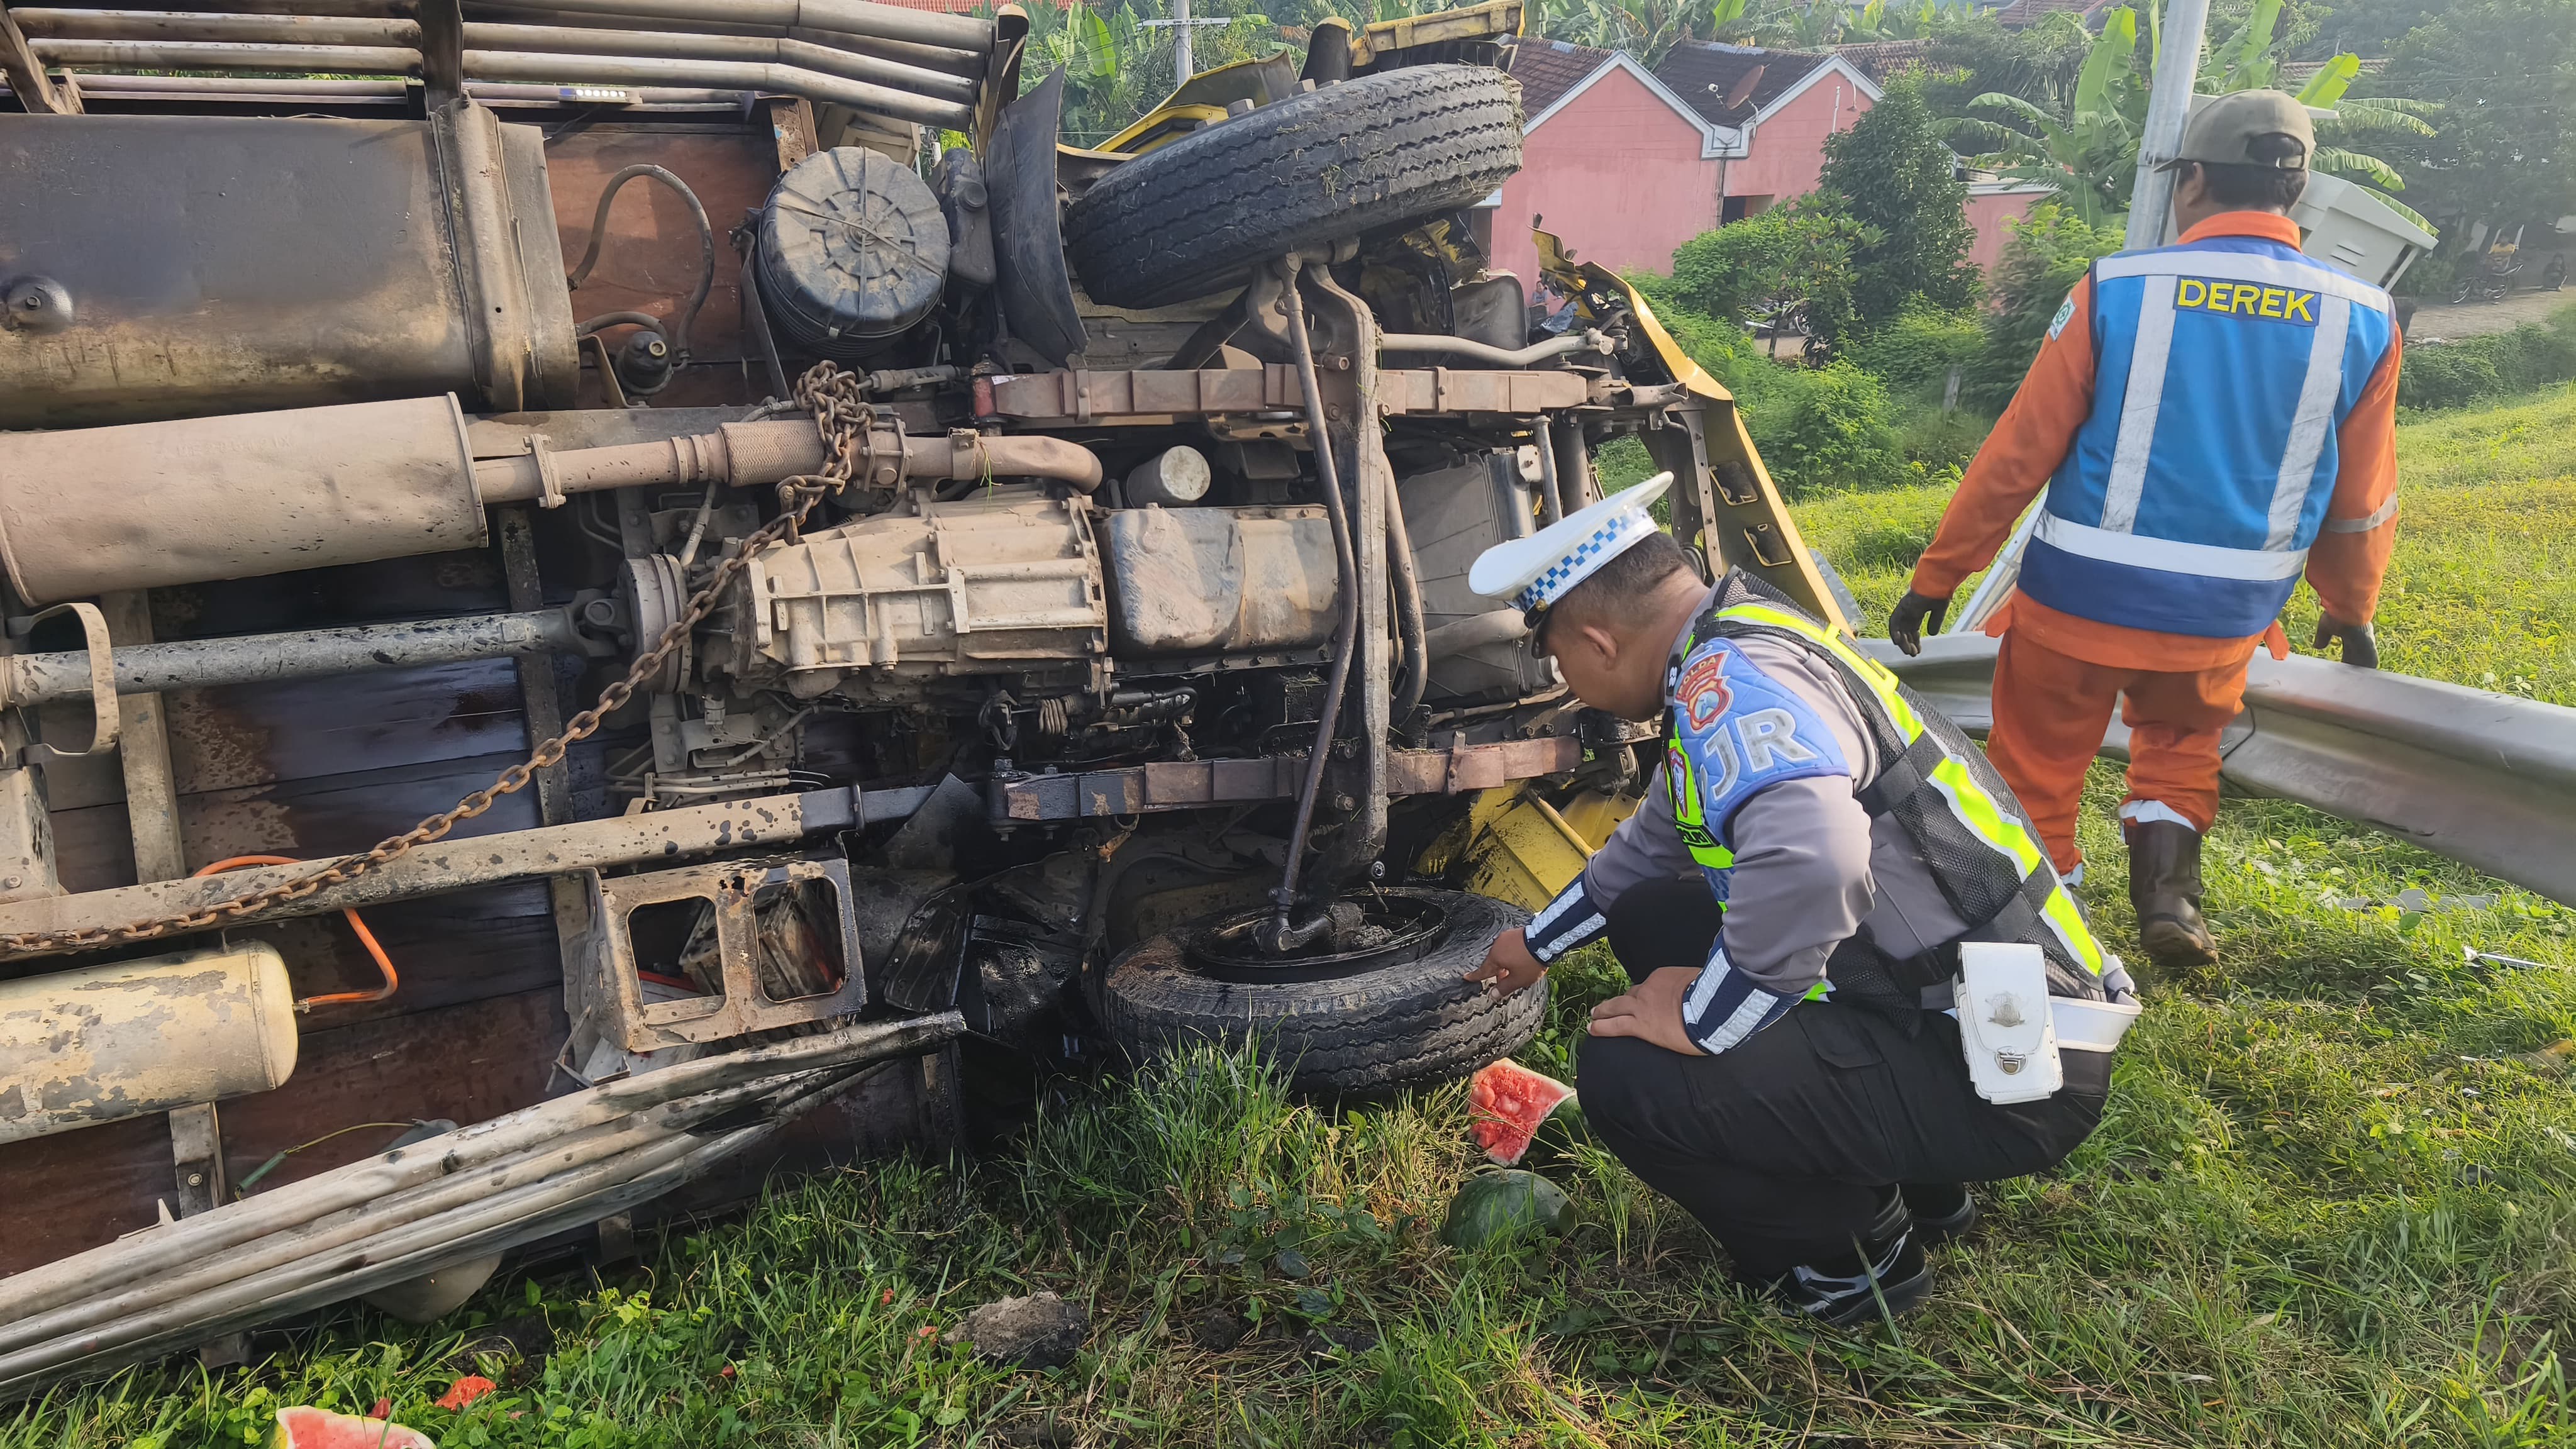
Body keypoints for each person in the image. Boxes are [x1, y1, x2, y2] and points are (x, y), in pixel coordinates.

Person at [1462, 476, 2137, 1325]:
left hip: (2010, 1066)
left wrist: (1708, 1018)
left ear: (1598, 641)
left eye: (1559, 661)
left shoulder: (1729, 685)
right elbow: (1655, 845)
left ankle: (1856, 1256)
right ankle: (1925, 1185)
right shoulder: (1751, 639)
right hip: (1992, 1017)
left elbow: (1816, 858)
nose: (1565, 680)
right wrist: (1537, 942)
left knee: (1627, 1074)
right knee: (1655, 916)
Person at [1885, 91, 2402, 970]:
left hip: (2077, 603)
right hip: (2226, 616)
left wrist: (1940, 576)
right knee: (2180, 750)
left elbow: (2017, 457)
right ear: (2298, 191)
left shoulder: (2117, 290)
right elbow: (2362, 496)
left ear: (2192, 181)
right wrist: (2350, 605)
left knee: (2040, 763)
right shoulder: (2363, 316)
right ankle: (2168, 898)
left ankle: (2050, 937)